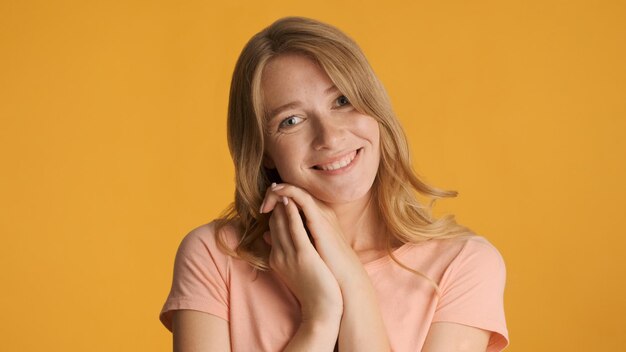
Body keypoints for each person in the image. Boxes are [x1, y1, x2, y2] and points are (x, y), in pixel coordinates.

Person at [159, 16, 509, 352]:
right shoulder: (214, 256)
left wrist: (353, 284)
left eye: (342, 101)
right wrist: (320, 316)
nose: (329, 136)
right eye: (291, 120)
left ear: (374, 109)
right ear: (263, 151)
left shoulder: (464, 266)